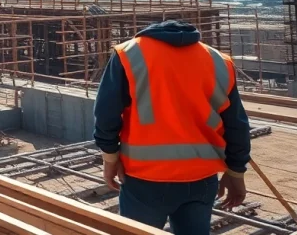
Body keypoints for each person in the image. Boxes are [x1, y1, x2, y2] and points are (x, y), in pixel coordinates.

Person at [94, 20, 252, 235]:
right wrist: (235, 172)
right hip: (201, 179)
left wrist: (110, 159)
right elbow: (237, 125)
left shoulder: (128, 53)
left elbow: (106, 115)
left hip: (145, 180)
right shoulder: (218, 61)